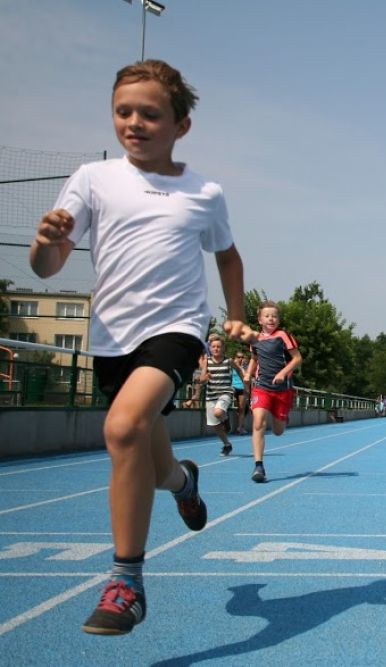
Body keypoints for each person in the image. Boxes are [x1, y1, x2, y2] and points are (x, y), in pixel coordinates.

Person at [28, 59, 254, 635]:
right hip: (112, 338)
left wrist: (234, 318)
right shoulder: (92, 179)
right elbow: (49, 268)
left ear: (181, 125)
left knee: (122, 429)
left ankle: (126, 581)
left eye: (150, 114)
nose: (134, 123)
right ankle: (184, 482)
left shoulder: (204, 191)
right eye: (123, 111)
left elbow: (226, 255)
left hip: (176, 331)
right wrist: (44, 243)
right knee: (152, 469)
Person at [244, 300, 302, 483]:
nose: (271, 319)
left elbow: (297, 359)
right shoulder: (254, 339)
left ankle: (283, 418)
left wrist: (283, 373)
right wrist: (248, 373)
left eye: (274, 316)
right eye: (267, 316)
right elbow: (254, 358)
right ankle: (258, 466)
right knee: (258, 422)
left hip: (282, 389)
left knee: (278, 431)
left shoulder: (283, 335)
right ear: (260, 319)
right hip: (262, 387)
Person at [200, 334, 239, 455]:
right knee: (215, 425)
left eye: (218, 346)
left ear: (223, 348)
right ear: (210, 349)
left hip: (225, 392)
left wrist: (246, 383)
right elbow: (201, 379)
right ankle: (227, 444)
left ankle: (225, 419)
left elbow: (240, 371)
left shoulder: (229, 361)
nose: (216, 349)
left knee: (218, 412)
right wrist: (205, 377)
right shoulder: (207, 361)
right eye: (213, 347)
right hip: (211, 395)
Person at [231, 349, 250, 434]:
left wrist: (242, 367)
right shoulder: (231, 365)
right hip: (233, 387)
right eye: (239, 357)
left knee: (242, 408)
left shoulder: (245, 366)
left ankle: (240, 427)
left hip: (242, 388)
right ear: (235, 358)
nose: (240, 359)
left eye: (242, 357)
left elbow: (246, 377)